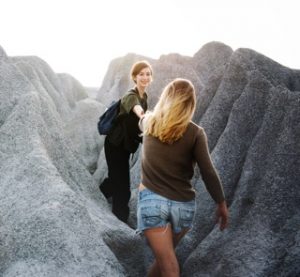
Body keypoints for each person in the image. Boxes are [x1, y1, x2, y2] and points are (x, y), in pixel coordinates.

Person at [137, 78, 229, 277]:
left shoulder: (149, 122)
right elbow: (208, 172)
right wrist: (221, 203)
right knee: (166, 259)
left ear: (165, 98)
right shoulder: (196, 133)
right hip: (183, 207)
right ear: (190, 103)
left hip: (152, 202)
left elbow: (141, 120)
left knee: (167, 264)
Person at [100, 60, 153, 223]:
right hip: (115, 145)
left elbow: (136, 127)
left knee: (115, 179)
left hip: (124, 147)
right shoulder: (131, 96)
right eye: (141, 74)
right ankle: (119, 219)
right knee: (122, 186)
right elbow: (138, 111)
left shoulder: (144, 96)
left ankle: (97, 196)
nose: (145, 77)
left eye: (148, 74)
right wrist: (145, 117)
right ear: (134, 77)